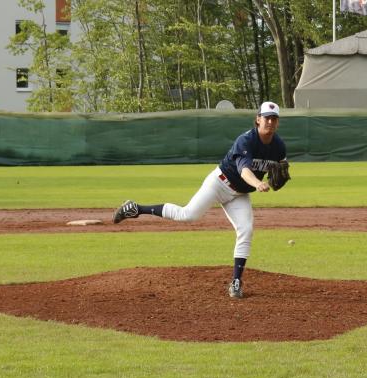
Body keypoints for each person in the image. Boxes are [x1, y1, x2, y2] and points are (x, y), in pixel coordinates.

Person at [112, 101, 288, 299]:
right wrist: (257, 183)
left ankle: (236, 282)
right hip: (219, 183)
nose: (270, 122)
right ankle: (136, 208)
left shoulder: (279, 146)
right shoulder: (246, 141)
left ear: (278, 122)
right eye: (267, 118)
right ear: (258, 119)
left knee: (246, 230)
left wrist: (281, 175)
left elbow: (282, 167)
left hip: (239, 195)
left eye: (274, 119)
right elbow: (244, 170)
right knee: (187, 215)